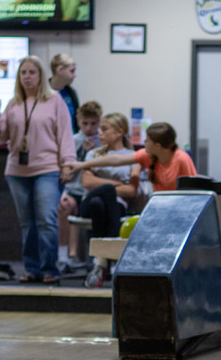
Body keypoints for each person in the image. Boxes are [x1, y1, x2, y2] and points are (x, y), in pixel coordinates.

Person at [0, 55, 75, 283]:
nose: (27, 77)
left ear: (40, 76)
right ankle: (32, 269)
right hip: (17, 171)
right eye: (23, 73)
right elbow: (1, 136)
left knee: (46, 220)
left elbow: (65, 135)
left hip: (47, 169)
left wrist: (67, 164)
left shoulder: (54, 100)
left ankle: (50, 269)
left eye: (32, 73)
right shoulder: (14, 103)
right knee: (27, 223)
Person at [80, 112, 142, 288]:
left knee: (99, 203)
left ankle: (100, 263)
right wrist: (114, 184)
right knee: (101, 196)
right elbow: (86, 181)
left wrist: (101, 183)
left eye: (104, 129)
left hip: (115, 207)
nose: (99, 132)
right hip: (86, 206)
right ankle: (114, 255)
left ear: (119, 132)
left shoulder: (133, 156)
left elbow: (131, 190)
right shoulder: (93, 154)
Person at [71, 121, 197, 191]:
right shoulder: (148, 155)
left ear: (158, 146)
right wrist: (82, 164)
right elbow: (115, 159)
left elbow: (193, 190)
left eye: (147, 141)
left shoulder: (181, 158)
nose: (144, 143)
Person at [58, 100, 103, 268]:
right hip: (73, 188)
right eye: (85, 123)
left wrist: (93, 151)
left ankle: (95, 255)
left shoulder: (102, 141)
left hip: (90, 191)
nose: (89, 128)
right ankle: (67, 254)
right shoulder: (72, 139)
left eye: (93, 124)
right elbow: (67, 168)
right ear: (78, 122)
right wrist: (82, 151)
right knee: (64, 208)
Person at [49, 53, 80, 133]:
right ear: (60, 70)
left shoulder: (71, 93)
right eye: (72, 71)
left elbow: (77, 121)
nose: (74, 75)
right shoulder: (43, 93)